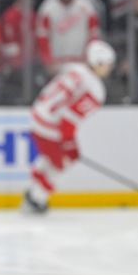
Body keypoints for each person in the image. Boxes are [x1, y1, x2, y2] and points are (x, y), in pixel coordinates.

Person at [23, 40, 115, 213]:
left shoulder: (73, 68)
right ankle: (36, 198)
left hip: (37, 117)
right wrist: (70, 146)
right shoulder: (95, 89)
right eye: (107, 64)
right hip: (49, 127)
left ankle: (35, 188)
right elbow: (68, 121)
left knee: (52, 159)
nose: (109, 68)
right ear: (98, 63)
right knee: (62, 163)